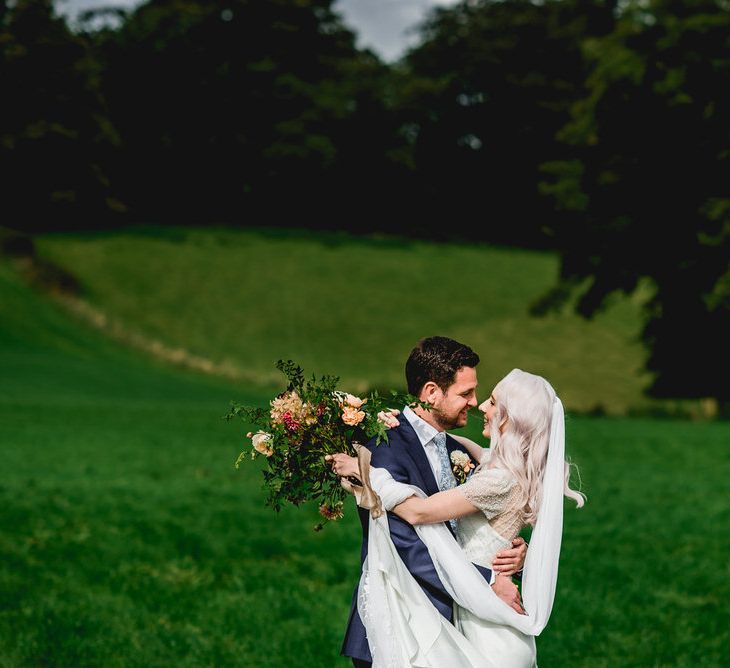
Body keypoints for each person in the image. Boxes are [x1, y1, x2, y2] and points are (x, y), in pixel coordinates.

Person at [330, 366, 585, 667]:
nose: (482, 406)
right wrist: (391, 421)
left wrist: (368, 474)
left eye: (493, 401)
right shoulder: (499, 464)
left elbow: (418, 511)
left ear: (509, 419)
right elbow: (449, 443)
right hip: (474, 618)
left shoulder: (498, 480)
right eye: (471, 394)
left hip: (489, 631)